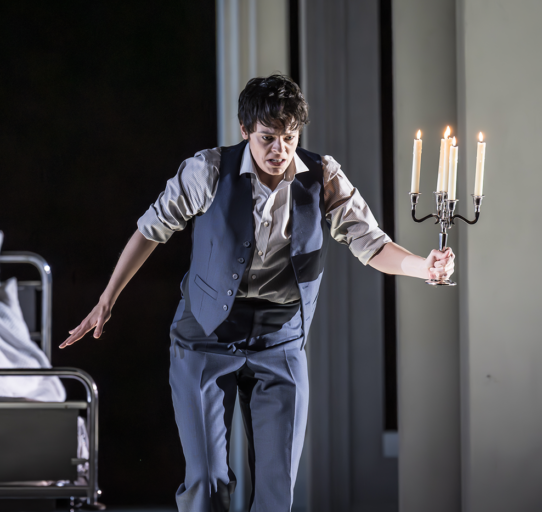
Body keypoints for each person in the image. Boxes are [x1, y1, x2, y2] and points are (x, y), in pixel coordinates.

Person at [60, 75, 454, 511]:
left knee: (276, 488)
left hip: (279, 339)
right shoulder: (209, 170)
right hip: (205, 335)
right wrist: (107, 299)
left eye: (289, 137)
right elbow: (151, 229)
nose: (279, 149)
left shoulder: (323, 176)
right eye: (268, 137)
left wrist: (423, 267)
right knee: (207, 483)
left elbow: (371, 243)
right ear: (245, 129)